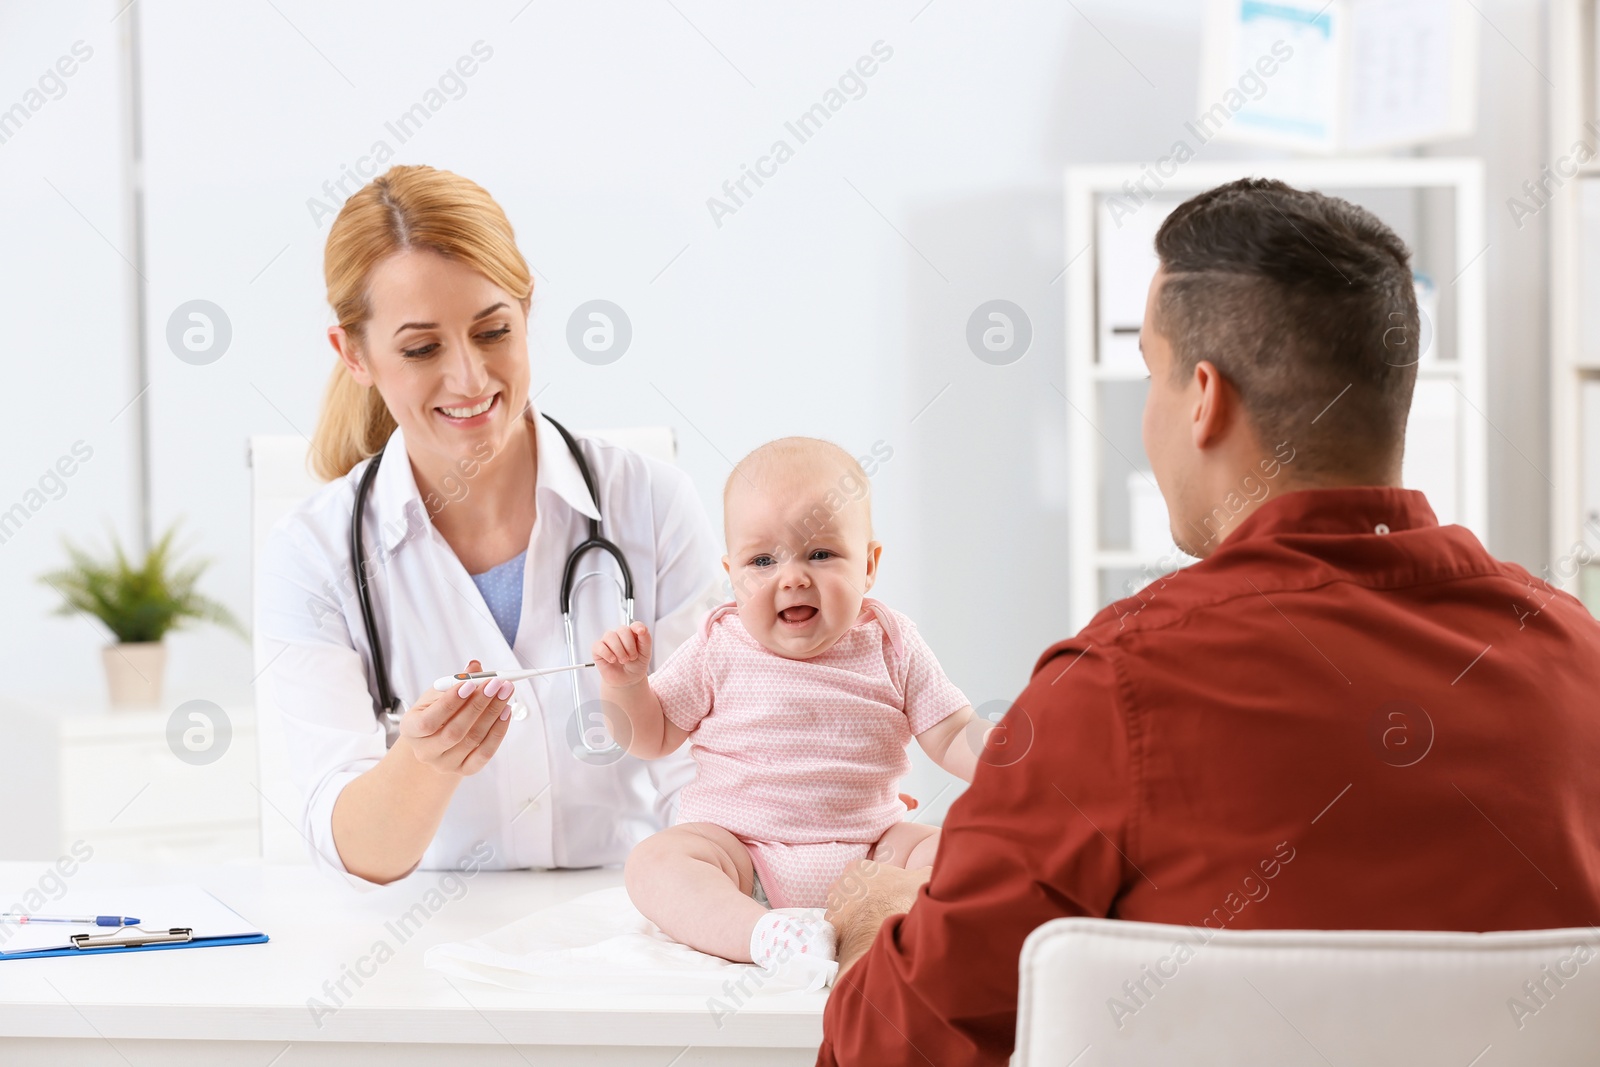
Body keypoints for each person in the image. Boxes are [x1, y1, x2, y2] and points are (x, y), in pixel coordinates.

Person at [816, 178, 1600, 1066]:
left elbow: (896, 1048)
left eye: (1151, 374)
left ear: (1203, 397)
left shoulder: (1112, 687)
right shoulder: (1580, 661)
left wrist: (876, 916)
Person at [258, 165, 723, 887]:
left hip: (637, 921)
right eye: (421, 349)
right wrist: (423, 761)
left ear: (527, 311)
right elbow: (356, 848)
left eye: (493, 330)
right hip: (426, 945)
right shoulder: (311, 556)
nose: (471, 379)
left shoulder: (653, 506)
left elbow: (705, 770)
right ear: (354, 354)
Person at [590, 437, 983, 991]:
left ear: (868, 564)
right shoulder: (718, 645)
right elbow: (650, 736)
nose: (792, 577)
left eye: (820, 554)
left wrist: (1016, 762)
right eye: (762, 560)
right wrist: (626, 684)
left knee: (961, 848)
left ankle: (881, 928)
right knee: (656, 863)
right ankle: (764, 935)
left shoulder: (892, 642)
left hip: (874, 857)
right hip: (744, 858)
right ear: (732, 574)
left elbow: (955, 733)